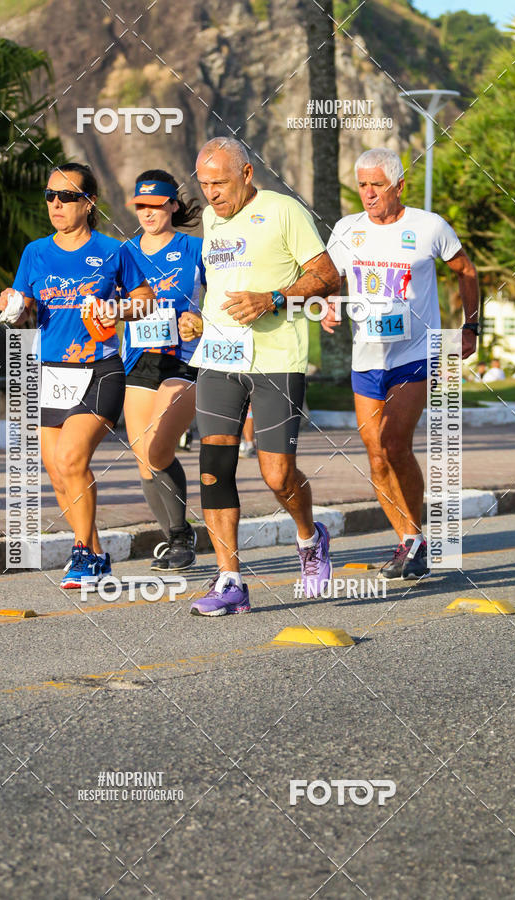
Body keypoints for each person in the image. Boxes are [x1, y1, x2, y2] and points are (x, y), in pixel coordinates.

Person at [181, 137, 340, 616]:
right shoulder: (212, 219)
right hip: (219, 357)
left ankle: (310, 538)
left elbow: (326, 276)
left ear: (247, 174)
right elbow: (221, 284)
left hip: (276, 358)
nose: (211, 194)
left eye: (220, 183)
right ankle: (230, 580)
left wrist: (272, 298)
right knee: (214, 467)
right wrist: (200, 319)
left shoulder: (284, 210)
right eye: (204, 184)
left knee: (277, 474)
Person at [324, 147, 479, 580]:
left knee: (394, 442)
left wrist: (470, 326)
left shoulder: (428, 226)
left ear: (399, 186)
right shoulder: (346, 229)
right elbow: (332, 277)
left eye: (377, 184)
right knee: (375, 455)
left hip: (416, 354)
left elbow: (466, 270)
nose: (368, 193)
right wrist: (330, 303)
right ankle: (411, 541)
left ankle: (415, 541)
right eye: (362, 185)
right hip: (367, 355)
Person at [0, 163, 152, 588]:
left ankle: (81, 551)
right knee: (57, 471)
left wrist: (116, 308)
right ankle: (97, 556)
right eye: (50, 195)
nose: (56, 204)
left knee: (71, 458)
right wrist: (12, 304)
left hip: (99, 369)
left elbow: (145, 299)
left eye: (66, 196)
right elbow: (24, 307)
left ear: (89, 203)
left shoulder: (113, 250)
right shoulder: (35, 252)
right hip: (50, 373)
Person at [121, 170, 205, 570]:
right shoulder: (123, 252)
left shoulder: (195, 248)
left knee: (158, 448)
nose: (148, 213)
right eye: (141, 205)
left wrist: (200, 319)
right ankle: (177, 537)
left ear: (172, 204)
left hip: (183, 357)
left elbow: (222, 298)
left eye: (156, 205)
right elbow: (106, 301)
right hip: (139, 358)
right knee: (143, 457)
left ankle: (181, 535)